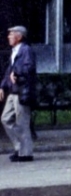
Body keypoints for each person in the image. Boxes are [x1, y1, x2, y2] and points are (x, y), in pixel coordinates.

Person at [1, 25, 37, 162]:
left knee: (22, 123)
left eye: (11, 35)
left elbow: (29, 67)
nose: (8, 37)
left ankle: (26, 153)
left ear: (19, 36)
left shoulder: (26, 50)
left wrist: (17, 72)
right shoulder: (14, 51)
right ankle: (19, 147)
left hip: (22, 91)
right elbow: (8, 71)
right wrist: (2, 87)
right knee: (6, 118)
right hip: (13, 90)